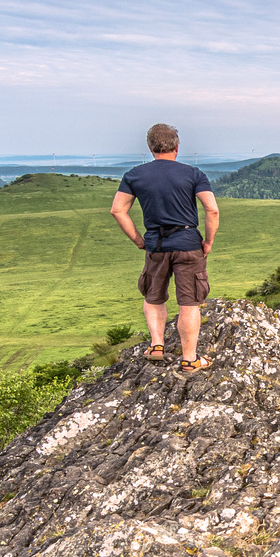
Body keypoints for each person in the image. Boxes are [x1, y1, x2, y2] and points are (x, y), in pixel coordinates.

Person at [110, 123, 220, 372]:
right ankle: (190, 358)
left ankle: (157, 345)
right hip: (189, 244)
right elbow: (211, 209)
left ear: (150, 148)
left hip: (155, 245)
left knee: (153, 295)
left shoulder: (134, 175)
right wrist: (208, 242)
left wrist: (139, 240)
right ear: (177, 147)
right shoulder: (193, 174)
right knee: (189, 302)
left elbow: (118, 210)